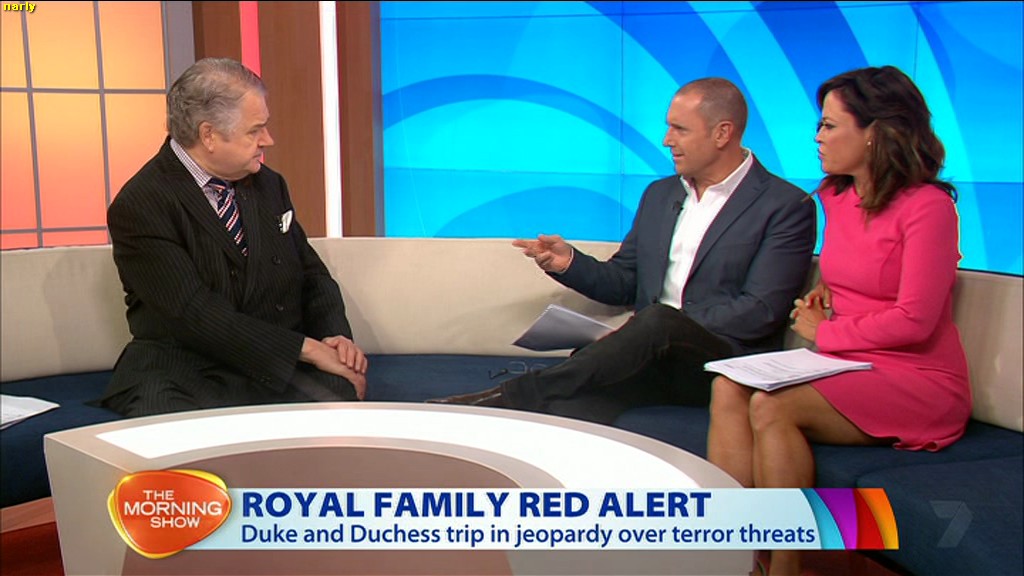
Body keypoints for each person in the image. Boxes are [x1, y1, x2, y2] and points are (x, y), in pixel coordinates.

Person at [706, 66, 972, 575]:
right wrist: (826, 293)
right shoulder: (835, 197)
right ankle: (740, 554)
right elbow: (859, 269)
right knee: (727, 387)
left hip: (918, 378)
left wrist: (825, 332)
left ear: (875, 133)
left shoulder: (929, 207)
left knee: (771, 406)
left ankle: (785, 566)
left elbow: (915, 320)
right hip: (848, 363)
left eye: (829, 125)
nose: (817, 137)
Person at [430, 78, 817, 424]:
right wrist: (569, 263)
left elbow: (759, 312)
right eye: (668, 127)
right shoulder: (660, 194)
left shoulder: (784, 206)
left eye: (680, 129)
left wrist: (654, 329)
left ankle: (507, 396)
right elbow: (624, 282)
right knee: (572, 401)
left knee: (657, 322)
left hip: (720, 365)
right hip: (649, 357)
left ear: (722, 133)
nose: (667, 140)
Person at [97, 57, 367, 417]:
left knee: (339, 392)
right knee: (169, 422)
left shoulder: (269, 184)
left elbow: (311, 274)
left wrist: (335, 339)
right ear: (208, 135)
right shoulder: (143, 203)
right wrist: (306, 348)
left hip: (272, 366)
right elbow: (193, 313)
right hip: (188, 368)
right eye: (255, 131)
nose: (268, 140)